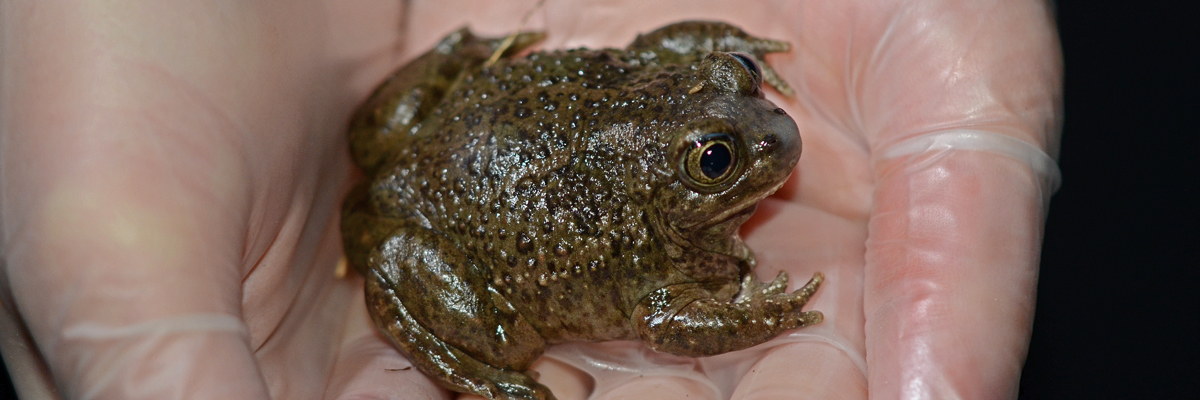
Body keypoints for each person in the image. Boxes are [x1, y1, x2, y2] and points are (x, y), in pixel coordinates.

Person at [0, 0, 1062, 398]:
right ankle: (478, 363)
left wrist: (723, 58)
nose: (769, 145)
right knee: (496, 330)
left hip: (448, 121)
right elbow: (664, 314)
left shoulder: (678, 91)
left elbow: (668, 46)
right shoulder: (649, 237)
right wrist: (760, 311)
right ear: (675, 188)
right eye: (718, 161)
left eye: (733, 120)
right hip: (441, 233)